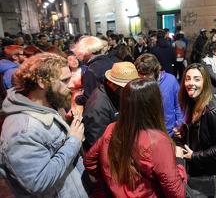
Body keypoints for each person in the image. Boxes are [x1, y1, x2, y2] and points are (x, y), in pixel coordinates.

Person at [0, 53, 91, 197]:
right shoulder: (22, 130)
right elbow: (38, 182)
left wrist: (70, 126)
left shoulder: (50, 105)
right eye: (65, 80)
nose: (72, 84)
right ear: (42, 82)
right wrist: (73, 141)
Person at [84, 78, 187, 197]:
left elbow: (90, 162)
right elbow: (177, 194)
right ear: (155, 105)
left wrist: (116, 183)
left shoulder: (111, 129)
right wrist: (179, 161)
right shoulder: (158, 141)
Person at [174, 63, 216, 196]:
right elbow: (201, 129)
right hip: (196, 167)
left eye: (197, 79)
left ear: (205, 82)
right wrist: (185, 129)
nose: (191, 83)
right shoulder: (193, 102)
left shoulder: (212, 111)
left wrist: (194, 156)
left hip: (206, 170)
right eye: (187, 78)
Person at [82, 62, 138, 150]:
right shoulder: (98, 106)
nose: (131, 92)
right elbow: (98, 145)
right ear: (115, 85)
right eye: (127, 88)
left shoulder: (116, 95)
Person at [135, 53, 184, 136]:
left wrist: (180, 125)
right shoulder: (138, 84)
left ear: (155, 71)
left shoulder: (170, 80)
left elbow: (179, 105)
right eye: (141, 75)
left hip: (169, 133)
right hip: (148, 134)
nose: (144, 78)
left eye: (147, 74)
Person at [74, 36, 114, 106]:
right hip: (112, 107)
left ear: (86, 52)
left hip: (99, 110)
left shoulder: (91, 70)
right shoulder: (110, 62)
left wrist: (77, 97)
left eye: (82, 53)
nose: (82, 57)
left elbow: (89, 98)